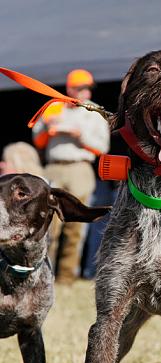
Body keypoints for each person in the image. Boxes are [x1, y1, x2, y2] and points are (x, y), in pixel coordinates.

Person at [32, 69, 110, 284]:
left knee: (76, 224)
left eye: (87, 88)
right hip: (54, 167)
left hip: (80, 169)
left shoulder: (94, 112)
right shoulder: (54, 107)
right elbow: (37, 140)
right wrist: (49, 130)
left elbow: (102, 147)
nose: (85, 92)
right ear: (70, 88)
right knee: (48, 225)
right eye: (80, 88)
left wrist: (80, 136)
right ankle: (43, 276)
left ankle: (66, 278)